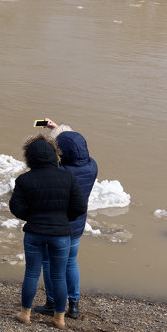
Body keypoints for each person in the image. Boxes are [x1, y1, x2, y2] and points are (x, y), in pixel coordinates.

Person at [8, 136, 87, 329]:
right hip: (60, 235)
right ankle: (59, 319)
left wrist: (32, 216)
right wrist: (62, 218)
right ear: (54, 155)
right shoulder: (68, 177)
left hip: (34, 232)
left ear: (29, 157)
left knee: (32, 273)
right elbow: (79, 207)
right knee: (58, 275)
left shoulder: (24, 179)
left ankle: (25, 314)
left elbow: (15, 207)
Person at [35, 121, 98, 320]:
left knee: (50, 262)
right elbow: (73, 145)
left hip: (57, 225)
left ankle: (52, 303)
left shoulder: (60, 172)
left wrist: (50, 137)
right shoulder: (92, 166)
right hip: (77, 224)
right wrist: (57, 127)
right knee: (71, 262)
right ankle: (74, 305)